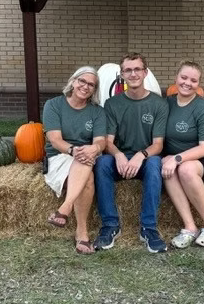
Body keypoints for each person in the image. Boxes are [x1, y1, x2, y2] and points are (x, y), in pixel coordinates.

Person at [94, 53, 169, 253]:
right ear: (122, 74)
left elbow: (158, 144)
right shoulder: (112, 104)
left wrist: (140, 155)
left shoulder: (158, 104)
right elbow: (107, 142)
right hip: (121, 158)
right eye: (128, 70)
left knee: (155, 163)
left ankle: (148, 228)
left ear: (145, 72)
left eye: (137, 69)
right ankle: (110, 226)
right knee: (101, 164)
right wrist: (118, 155)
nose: (133, 73)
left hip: (145, 159)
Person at [162, 61, 204, 249]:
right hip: (178, 156)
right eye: (184, 77)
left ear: (199, 84)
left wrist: (176, 158)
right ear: (176, 78)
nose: (187, 83)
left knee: (186, 170)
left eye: (193, 80)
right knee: (167, 169)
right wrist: (169, 157)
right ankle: (189, 227)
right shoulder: (167, 103)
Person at [43, 66, 106, 254]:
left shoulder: (97, 112)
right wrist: (73, 150)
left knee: (85, 160)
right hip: (60, 155)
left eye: (91, 85)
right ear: (73, 81)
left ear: (95, 90)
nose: (85, 87)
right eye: (82, 81)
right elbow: (54, 139)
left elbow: (100, 141)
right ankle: (82, 233)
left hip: (86, 155)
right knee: (88, 178)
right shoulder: (53, 105)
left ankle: (64, 208)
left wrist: (94, 148)